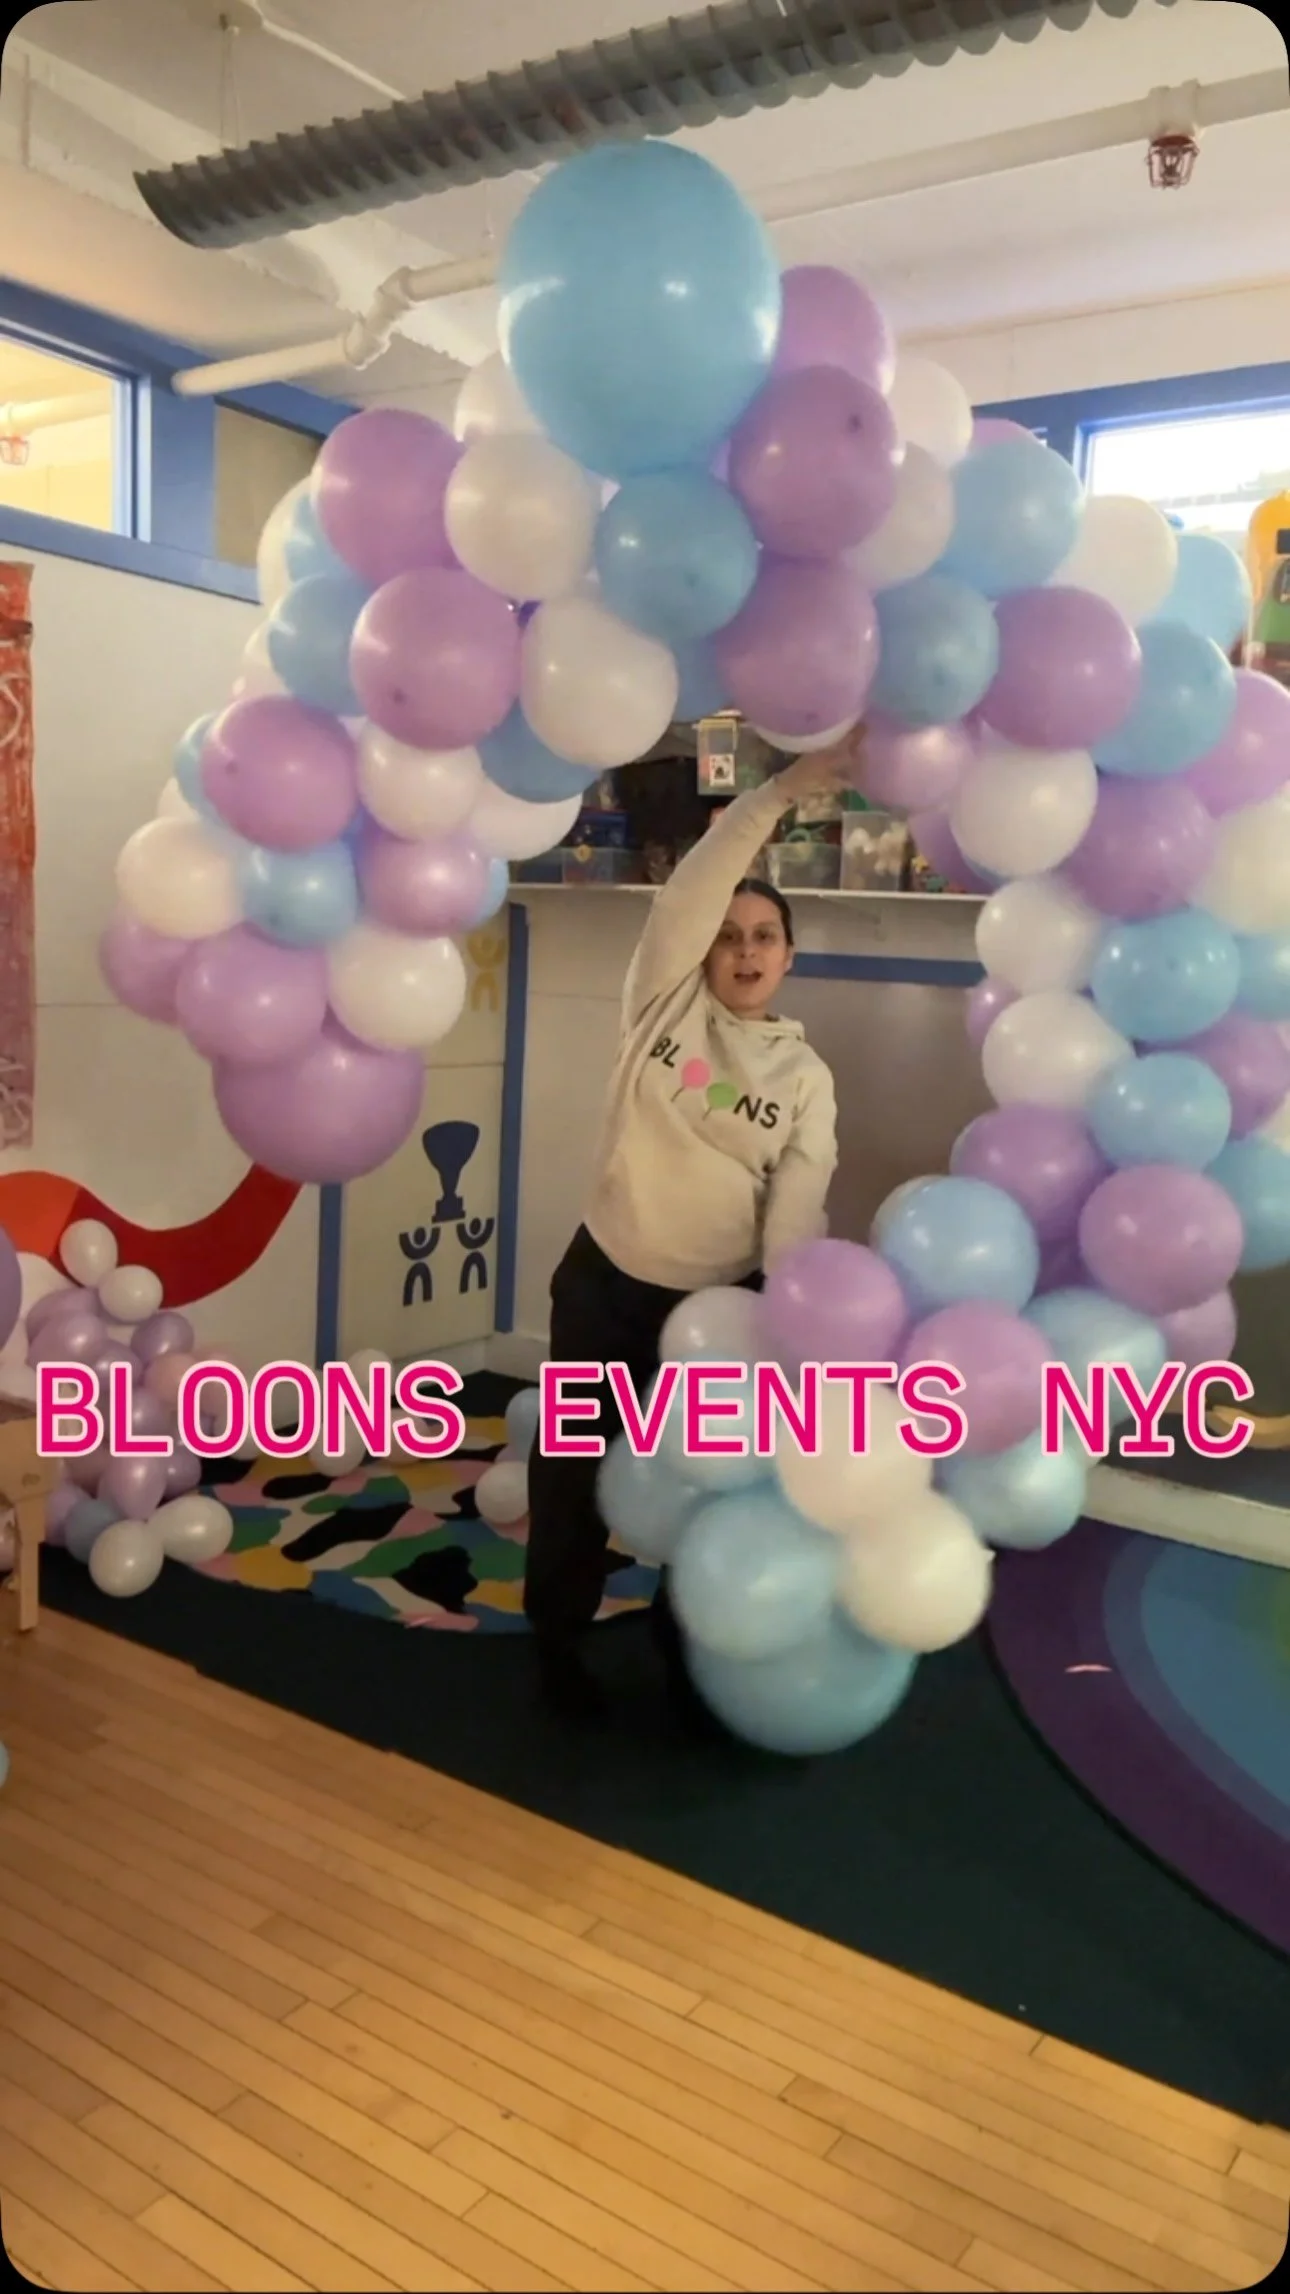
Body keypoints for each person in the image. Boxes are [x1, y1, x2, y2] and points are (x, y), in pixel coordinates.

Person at [523, 732, 855, 1723]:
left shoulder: (805, 1079)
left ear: (788, 956)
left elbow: (795, 1206)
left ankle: (685, 1653)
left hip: (714, 1315)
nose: (746, 951)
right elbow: (697, 886)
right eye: (730, 934)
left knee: (704, 1490)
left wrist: (785, 1323)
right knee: (573, 1474)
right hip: (605, 1283)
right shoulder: (660, 1008)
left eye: (765, 938)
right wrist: (783, 790)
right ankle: (556, 1644)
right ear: (704, 946)